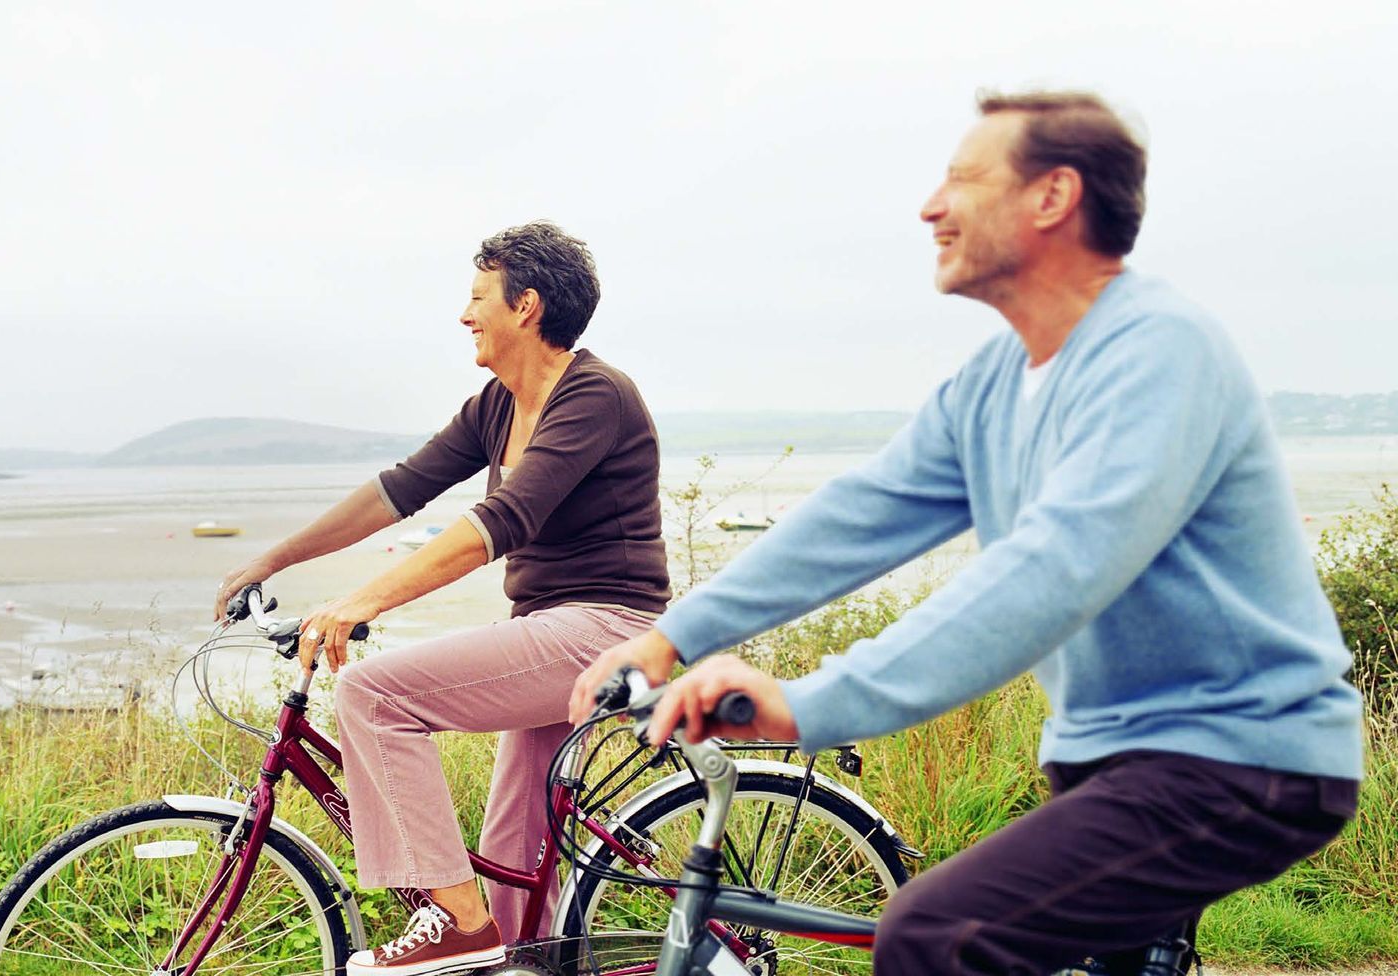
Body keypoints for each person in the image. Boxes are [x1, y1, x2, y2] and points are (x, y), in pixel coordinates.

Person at [569, 90, 1362, 975]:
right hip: (1112, 760)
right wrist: (673, 634)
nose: (930, 206)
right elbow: (862, 512)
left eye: (962, 179)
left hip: (1238, 758)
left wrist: (812, 703)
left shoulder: (1158, 350)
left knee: (936, 935)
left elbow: (1057, 566)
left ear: (1052, 197)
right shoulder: (995, 382)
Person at [216, 220, 670, 976]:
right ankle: (498, 942)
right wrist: (276, 557)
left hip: (604, 633)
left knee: (372, 695)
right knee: (513, 869)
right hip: (551, 631)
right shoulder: (496, 404)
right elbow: (398, 491)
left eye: (477, 297)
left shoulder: (595, 395)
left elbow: (501, 521)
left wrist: (361, 603)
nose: (464, 315)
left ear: (525, 306)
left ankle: (457, 923)